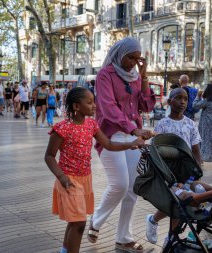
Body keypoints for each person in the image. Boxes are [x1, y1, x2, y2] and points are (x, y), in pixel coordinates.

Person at [44, 87, 144, 253]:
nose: (95, 106)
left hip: (85, 179)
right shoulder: (62, 128)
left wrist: (130, 144)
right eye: (89, 102)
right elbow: (49, 156)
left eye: (94, 101)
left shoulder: (91, 124)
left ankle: (64, 250)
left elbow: (109, 144)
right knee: (80, 223)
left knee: (74, 221)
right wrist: (61, 177)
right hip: (68, 180)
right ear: (76, 106)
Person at [87, 37, 155, 252]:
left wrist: (144, 79)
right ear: (119, 54)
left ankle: (124, 238)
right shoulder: (105, 74)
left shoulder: (136, 76)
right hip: (110, 135)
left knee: (132, 189)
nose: (133, 63)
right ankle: (96, 221)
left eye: (137, 58)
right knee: (120, 184)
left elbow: (146, 105)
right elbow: (108, 108)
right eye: (130, 57)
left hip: (133, 136)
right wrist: (133, 128)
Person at [145, 87, 202, 244]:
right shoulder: (163, 124)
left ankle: (168, 235)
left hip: (186, 170)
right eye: (178, 98)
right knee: (177, 203)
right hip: (167, 171)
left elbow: (196, 149)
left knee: (181, 204)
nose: (182, 102)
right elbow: (156, 150)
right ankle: (162, 229)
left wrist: (198, 168)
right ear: (169, 102)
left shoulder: (191, 124)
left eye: (185, 99)